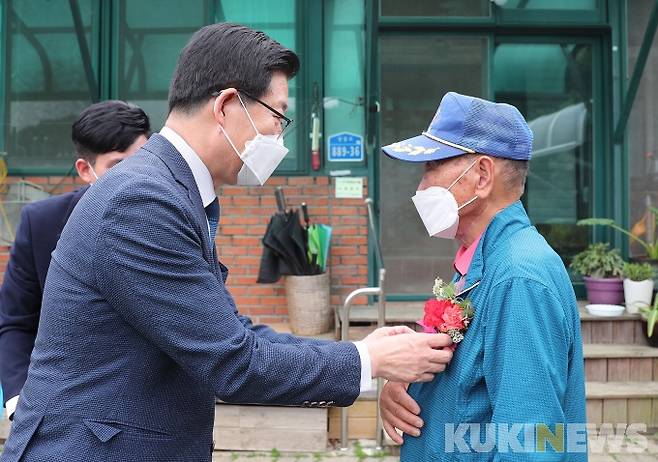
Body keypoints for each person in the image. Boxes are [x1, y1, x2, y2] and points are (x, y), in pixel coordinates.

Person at [0, 23, 454, 462]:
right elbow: (233, 363)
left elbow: (231, 334)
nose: (280, 138)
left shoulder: (172, 189)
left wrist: (363, 353)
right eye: (277, 116)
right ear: (226, 106)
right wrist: (366, 360)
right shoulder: (143, 200)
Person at [379, 92, 587, 460]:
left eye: (432, 167)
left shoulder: (519, 277)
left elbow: (530, 446)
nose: (421, 187)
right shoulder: (484, 262)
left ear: (481, 176)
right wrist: (408, 387)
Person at [0, 100, 150, 421]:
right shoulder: (40, 224)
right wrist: (18, 400)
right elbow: (15, 322)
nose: (137, 178)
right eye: (119, 165)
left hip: (150, 407)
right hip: (65, 407)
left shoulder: (172, 220)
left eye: (145, 162)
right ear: (86, 170)